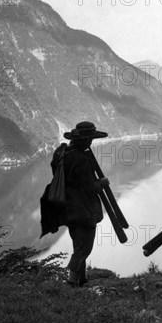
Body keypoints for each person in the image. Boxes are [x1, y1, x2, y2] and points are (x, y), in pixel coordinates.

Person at [51, 121, 109, 286]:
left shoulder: (61, 153)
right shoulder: (81, 159)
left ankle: (82, 280)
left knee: (78, 243)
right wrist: (102, 183)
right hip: (83, 210)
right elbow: (89, 188)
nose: (91, 142)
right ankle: (71, 282)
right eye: (90, 138)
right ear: (84, 140)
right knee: (84, 247)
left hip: (67, 208)